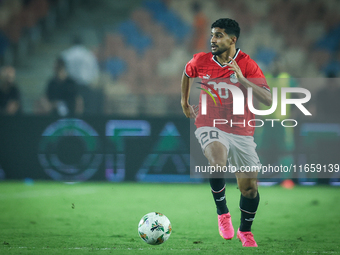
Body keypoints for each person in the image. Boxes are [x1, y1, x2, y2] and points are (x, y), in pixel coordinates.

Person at [181, 18, 272, 247]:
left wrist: (242, 79)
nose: (213, 39)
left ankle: (245, 231)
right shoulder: (201, 60)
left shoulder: (247, 64)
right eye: (212, 34)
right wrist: (183, 101)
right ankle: (223, 213)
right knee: (217, 160)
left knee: (249, 189)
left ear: (233, 39)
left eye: (219, 35)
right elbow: (187, 72)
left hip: (241, 131)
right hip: (210, 123)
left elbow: (268, 99)